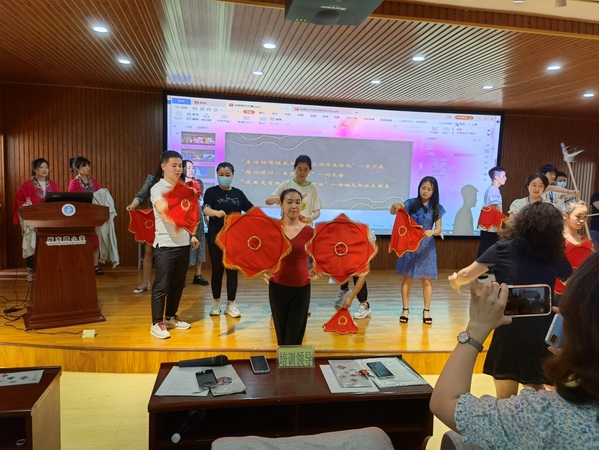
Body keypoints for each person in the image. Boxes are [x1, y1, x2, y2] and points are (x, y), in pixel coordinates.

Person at [431, 253, 599, 449]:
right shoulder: (554, 252)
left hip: (510, 335)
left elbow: (444, 403)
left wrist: (476, 329)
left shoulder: (542, 416)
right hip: (540, 336)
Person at [448, 202, 572, 399]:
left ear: (523, 222)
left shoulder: (503, 248)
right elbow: (573, 284)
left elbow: (466, 274)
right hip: (541, 330)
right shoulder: (555, 254)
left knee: (505, 394)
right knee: (537, 390)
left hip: (509, 327)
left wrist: (456, 280)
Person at [149, 151, 199, 339]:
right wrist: (181, 197)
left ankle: (170, 317)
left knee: (178, 284)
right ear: (163, 166)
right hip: (165, 244)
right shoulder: (157, 188)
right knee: (162, 285)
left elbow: (189, 216)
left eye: (180, 166)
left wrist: (192, 235)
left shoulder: (183, 188)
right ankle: (156, 323)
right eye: (174, 165)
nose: (178, 169)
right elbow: (163, 210)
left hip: (183, 243)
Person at [263, 188, 315, 345]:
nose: (294, 206)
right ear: (281, 204)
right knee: (281, 335)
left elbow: (315, 258)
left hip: (301, 287)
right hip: (277, 286)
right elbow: (263, 255)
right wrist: (263, 271)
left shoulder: (309, 232)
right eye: (289, 202)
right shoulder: (272, 229)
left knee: (295, 336)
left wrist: (316, 268)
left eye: (298, 202)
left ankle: (291, 361)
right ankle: (283, 361)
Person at [390, 176, 444, 324]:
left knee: (427, 280)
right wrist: (394, 206)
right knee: (407, 278)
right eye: (423, 188)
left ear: (434, 191)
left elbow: (439, 229)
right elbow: (393, 212)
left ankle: (426, 311)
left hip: (427, 247)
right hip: (409, 245)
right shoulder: (410, 203)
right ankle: (405, 310)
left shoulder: (437, 208)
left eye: (429, 189)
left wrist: (433, 232)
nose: (425, 191)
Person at [203, 162, 253, 318]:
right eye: (221, 175)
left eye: (227, 175)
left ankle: (231, 304)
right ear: (217, 175)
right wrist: (215, 212)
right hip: (216, 238)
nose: (224, 177)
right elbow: (205, 209)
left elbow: (251, 209)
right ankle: (216, 303)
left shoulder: (238, 193)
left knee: (232, 272)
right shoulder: (211, 192)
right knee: (217, 271)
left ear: (232, 176)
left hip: (234, 239)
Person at [13, 158, 61, 278]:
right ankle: (31, 271)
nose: (44, 170)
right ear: (34, 169)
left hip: (49, 220)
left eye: (46, 167)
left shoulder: (53, 185)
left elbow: (60, 200)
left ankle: (48, 270)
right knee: (32, 242)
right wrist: (25, 206)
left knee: (48, 244)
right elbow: (19, 200)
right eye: (41, 167)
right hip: (32, 219)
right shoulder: (27, 185)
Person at [126, 166, 163, 294]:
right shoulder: (152, 179)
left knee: (165, 254)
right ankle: (145, 282)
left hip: (170, 221)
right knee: (148, 250)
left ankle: (164, 284)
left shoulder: (177, 181)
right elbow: (141, 196)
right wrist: (133, 204)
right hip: (153, 220)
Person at [68, 156, 103, 275]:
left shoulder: (94, 182)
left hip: (95, 215)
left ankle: (95, 265)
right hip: (81, 217)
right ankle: (83, 265)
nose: (88, 168)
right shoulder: (74, 183)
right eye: (84, 166)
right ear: (78, 168)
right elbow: (73, 201)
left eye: (88, 165)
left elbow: (101, 195)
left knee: (96, 239)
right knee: (83, 240)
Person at [265, 154, 322, 226]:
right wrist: (277, 199)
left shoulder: (312, 188)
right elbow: (268, 201)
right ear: (295, 168)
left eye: (305, 170)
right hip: (287, 226)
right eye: (299, 169)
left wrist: (312, 217)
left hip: (305, 226)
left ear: (309, 170)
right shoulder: (286, 184)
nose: (302, 172)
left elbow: (317, 211)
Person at [554, 196, 594, 297]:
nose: (582, 221)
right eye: (578, 216)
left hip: (584, 291)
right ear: (565, 215)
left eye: (584, 217)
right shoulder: (556, 240)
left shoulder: (587, 242)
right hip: (560, 292)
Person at [182, 160, 209, 286]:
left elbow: (196, 195)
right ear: (182, 169)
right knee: (184, 247)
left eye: (193, 168)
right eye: (188, 168)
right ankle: (181, 276)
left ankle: (198, 275)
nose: (191, 170)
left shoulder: (198, 182)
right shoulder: (177, 183)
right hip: (183, 217)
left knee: (200, 245)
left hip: (197, 216)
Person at [476, 166, 507, 261]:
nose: (505, 178)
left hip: (488, 227)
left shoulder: (490, 189)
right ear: (496, 177)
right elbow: (493, 209)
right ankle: (484, 270)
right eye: (503, 176)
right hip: (491, 228)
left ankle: (481, 269)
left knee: (485, 251)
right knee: (488, 253)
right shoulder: (494, 190)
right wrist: (501, 226)